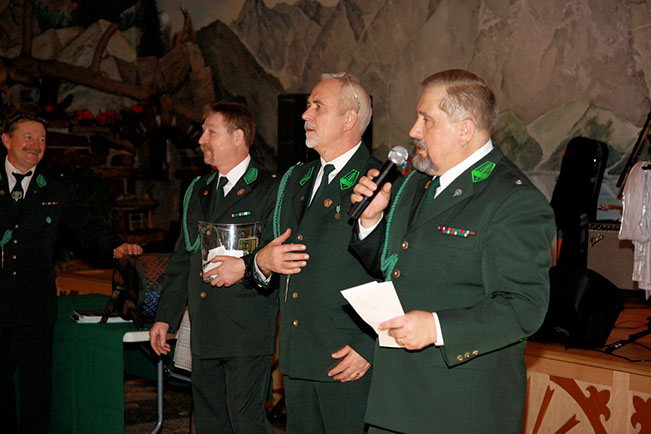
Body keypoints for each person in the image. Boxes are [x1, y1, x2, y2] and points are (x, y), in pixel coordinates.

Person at [350, 69, 555, 433]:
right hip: (394, 399)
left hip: (458, 406)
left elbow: (524, 306)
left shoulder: (513, 200)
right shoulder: (417, 184)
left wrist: (437, 327)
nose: (413, 130)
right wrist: (371, 220)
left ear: (464, 129)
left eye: (426, 119)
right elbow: (396, 266)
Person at [250, 72, 381, 433]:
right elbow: (270, 251)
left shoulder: (380, 180)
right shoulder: (296, 179)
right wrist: (262, 262)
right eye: (308, 106)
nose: (305, 114)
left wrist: (370, 344)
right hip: (298, 356)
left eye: (318, 106)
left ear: (349, 119)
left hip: (347, 357)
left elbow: (399, 273)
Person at [0, 113, 142, 434]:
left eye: (42, 139)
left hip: (36, 306)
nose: (36, 145)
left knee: (37, 391)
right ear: (6, 140)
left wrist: (116, 246)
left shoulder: (54, 189)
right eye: (28, 137)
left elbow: (86, 226)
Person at [149, 102, 279, 433]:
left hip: (246, 330)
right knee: (210, 424)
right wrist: (166, 316)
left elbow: (276, 258)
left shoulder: (271, 188)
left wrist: (245, 266)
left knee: (246, 423)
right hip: (205, 330)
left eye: (211, 132)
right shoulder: (198, 188)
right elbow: (183, 258)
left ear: (238, 137)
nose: (201, 140)